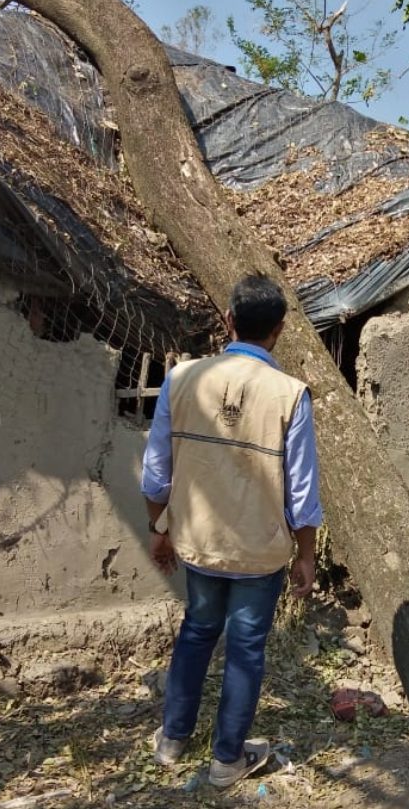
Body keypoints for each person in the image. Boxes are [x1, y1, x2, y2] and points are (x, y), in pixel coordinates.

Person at [140, 274, 322, 785]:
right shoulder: (290, 394)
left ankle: (172, 741)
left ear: (228, 320)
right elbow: (302, 492)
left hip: (199, 543)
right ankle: (226, 760)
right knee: (246, 648)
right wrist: (306, 555)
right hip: (258, 551)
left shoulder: (181, 379)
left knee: (197, 632)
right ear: (280, 330)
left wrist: (159, 528)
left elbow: (156, 472)